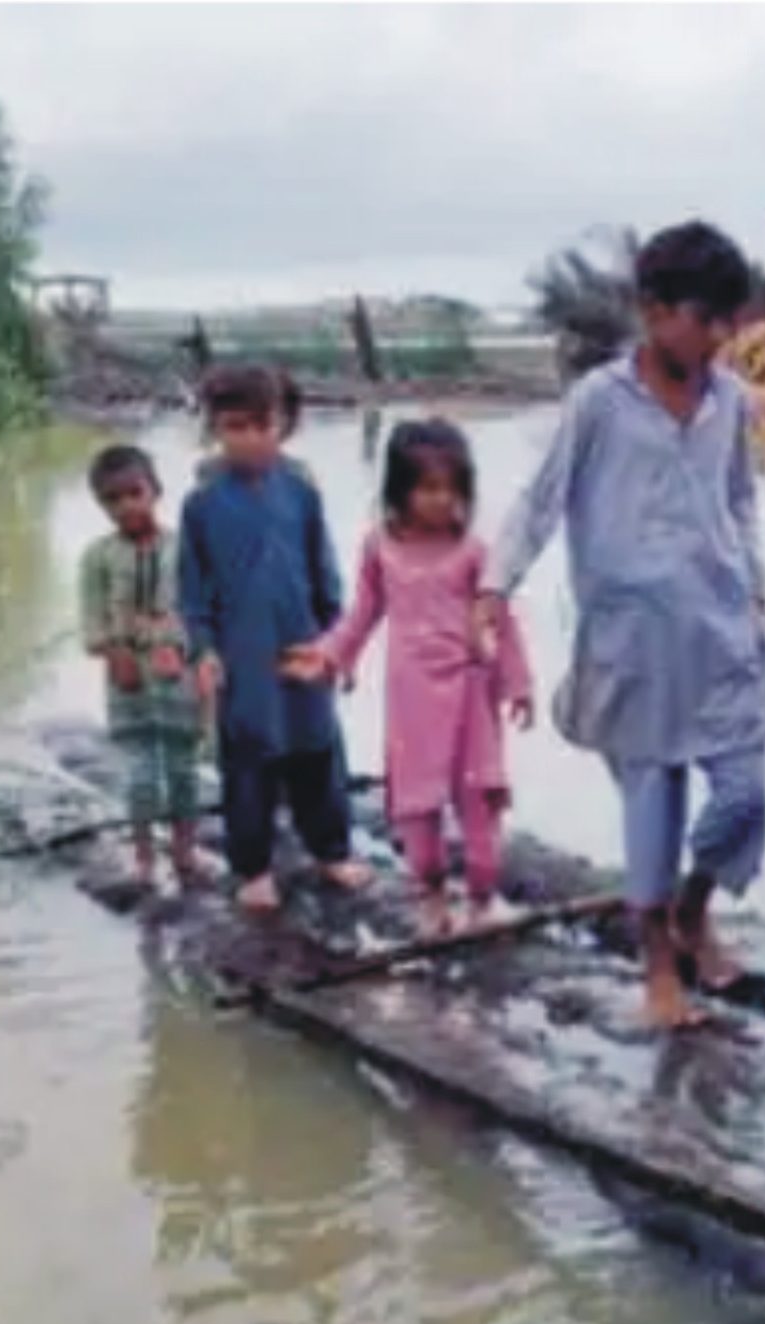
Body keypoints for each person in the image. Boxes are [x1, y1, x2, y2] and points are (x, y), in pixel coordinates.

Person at [479, 221, 765, 1027]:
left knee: (743, 792)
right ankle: (659, 965)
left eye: (727, 320)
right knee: (655, 799)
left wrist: (756, 585)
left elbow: (741, 500)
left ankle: (694, 904)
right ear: (652, 310)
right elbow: (541, 501)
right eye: (702, 317)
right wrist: (494, 587)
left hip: (719, 628)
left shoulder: (729, 403)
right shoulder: (598, 404)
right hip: (632, 641)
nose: (717, 337)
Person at [288, 418, 534, 937]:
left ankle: (483, 898)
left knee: (479, 801)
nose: (441, 500)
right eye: (427, 488)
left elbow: (501, 620)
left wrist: (518, 684)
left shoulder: (474, 553)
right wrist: (330, 655)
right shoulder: (381, 547)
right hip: (413, 697)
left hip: (470, 692)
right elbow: (363, 614)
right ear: (400, 489)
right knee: (417, 805)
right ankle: (431, 897)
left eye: (451, 488)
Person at [177, 363, 373, 913]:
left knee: (318, 752)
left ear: (282, 424)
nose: (251, 438)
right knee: (247, 763)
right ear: (215, 428)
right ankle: (254, 868)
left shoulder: (301, 493)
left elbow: (326, 573)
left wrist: (340, 644)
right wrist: (204, 650)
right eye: (236, 427)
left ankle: (331, 850)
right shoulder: (202, 506)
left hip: (303, 647)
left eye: (263, 425)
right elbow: (193, 592)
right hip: (243, 658)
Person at [78, 444, 206, 891]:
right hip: (127, 684)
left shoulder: (184, 550)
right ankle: (145, 857)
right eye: (113, 499)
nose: (127, 506)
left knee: (184, 770)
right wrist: (116, 653)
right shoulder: (98, 557)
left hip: (178, 679)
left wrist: (182, 649)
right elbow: (91, 622)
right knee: (140, 774)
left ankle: (187, 852)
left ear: (156, 491)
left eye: (135, 493)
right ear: (101, 505)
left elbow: (199, 614)